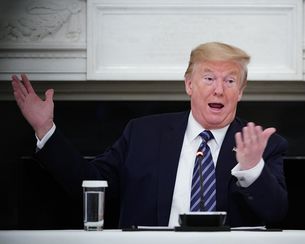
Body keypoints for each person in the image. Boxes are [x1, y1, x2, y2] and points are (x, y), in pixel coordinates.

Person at [11, 42, 288, 228]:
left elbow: (276, 215)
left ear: (240, 90)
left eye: (229, 80)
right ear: (189, 84)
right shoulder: (142, 134)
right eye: (208, 78)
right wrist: (45, 129)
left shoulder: (264, 145)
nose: (219, 90)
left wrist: (252, 169)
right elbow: (92, 184)